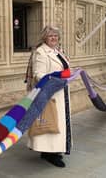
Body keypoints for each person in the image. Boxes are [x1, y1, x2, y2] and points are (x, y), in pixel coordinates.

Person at [26, 25, 71, 168]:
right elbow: (38, 75)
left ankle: (53, 150)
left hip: (61, 92)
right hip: (50, 93)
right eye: (51, 36)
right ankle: (49, 153)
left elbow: (64, 69)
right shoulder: (41, 52)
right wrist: (56, 79)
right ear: (44, 37)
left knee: (59, 122)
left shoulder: (58, 51)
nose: (54, 38)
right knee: (51, 121)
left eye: (56, 36)